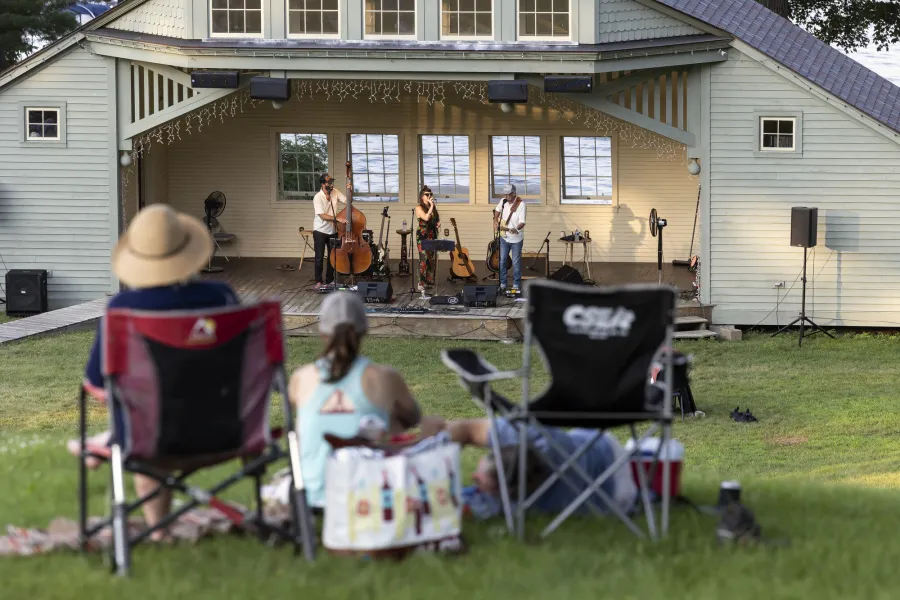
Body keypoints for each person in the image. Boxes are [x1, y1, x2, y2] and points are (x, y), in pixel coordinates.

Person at [68, 204, 239, 539]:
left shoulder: (123, 309)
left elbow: (97, 383)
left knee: (143, 425)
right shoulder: (222, 297)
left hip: (149, 440)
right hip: (227, 432)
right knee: (155, 420)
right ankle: (104, 444)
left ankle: (159, 532)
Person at [288, 292, 422, 508]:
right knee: (389, 419)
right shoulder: (385, 377)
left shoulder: (301, 378)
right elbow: (413, 418)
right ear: (364, 331)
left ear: (323, 332)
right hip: (368, 502)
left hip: (311, 498)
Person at [421, 416, 637, 519]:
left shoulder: (506, 507)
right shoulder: (538, 437)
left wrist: (426, 450)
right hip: (608, 458)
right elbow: (467, 429)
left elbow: (447, 509)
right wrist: (440, 438)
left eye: (478, 481)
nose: (472, 475)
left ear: (503, 493)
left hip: (618, 495)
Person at [312, 173, 346, 289]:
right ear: (322, 184)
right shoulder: (317, 197)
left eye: (332, 182)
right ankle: (318, 281)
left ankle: (330, 280)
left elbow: (348, 201)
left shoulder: (335, 192)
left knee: (332, 257)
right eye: (329, 182)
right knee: (319, 258)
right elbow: (322, 216)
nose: (331, 184)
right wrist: (338, 219)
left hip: (332, 230)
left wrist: (350, 189)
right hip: (320, 231)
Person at [493, 184, 526, 295]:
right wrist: (495, 220)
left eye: (508, 194)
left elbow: (522, 222)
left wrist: (516, 229)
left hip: (516, 239)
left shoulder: (521, 204)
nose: (506, 196)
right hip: (503, 237)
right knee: (502, 261)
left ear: (514, 193)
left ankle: (516, 285)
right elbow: (497, 211)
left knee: (516, 263)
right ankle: (503, 284)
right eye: (505, 194)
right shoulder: (503, 202)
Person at [414, 186, 440, 293]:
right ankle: (421, 282)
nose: (429, 196)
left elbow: (436, 219)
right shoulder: (418, 208)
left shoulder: (432, 207)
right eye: (427, 195)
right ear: (422, 196)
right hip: (423, 235)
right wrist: (432, 206)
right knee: (423, 259)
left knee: (431, 259)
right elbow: (426, 218)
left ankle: (429, 280)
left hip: (431, 234)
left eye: (430, 194)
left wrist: (438, 223)